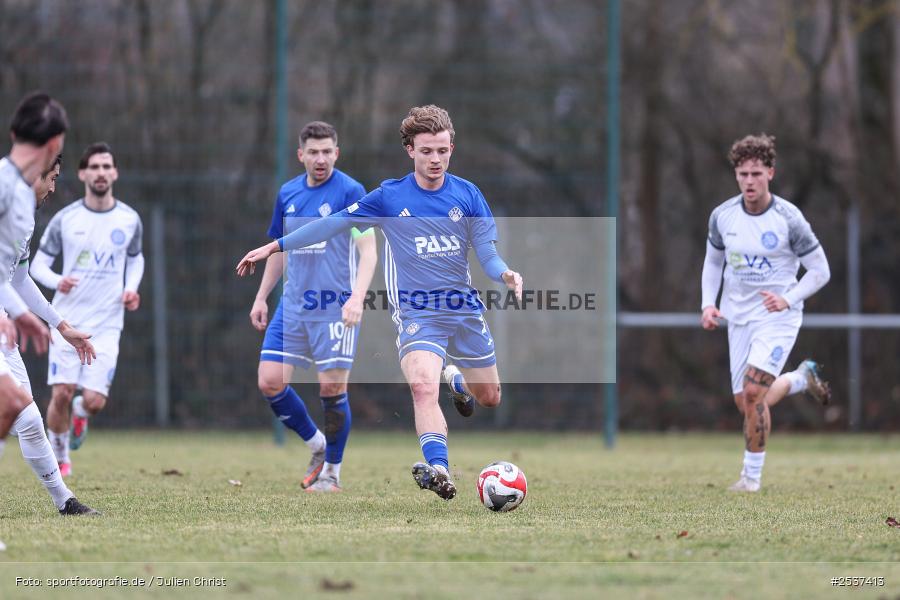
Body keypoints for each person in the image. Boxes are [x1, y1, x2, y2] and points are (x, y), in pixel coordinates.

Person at [237, 105, 523, 501]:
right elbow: (332, 223)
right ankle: (439, 467)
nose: (435, 159)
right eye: (426, 151)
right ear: (410, 150)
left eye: (442, 150)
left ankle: (455, 380)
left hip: (463, 311)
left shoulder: (468, 195)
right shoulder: (389, 196)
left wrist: (505, 273)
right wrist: (275, 245)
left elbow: (487, 253)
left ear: (451, 148)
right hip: (417, 313)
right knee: (422, 387)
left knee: (489, 398)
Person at [700, 133, 832, 493]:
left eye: (756, 173)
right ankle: (801, 379)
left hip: (778, 316)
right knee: (746, 403)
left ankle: (750, 480)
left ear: (770, 173)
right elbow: (713, 263)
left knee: (754, 394)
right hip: (737, 317)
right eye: (742, 174)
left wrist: (788, 299)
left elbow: (821, 271)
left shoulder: (789, 219)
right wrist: (708, 303)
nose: (749, 181)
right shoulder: (723, 217)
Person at [249, 121, 376, 493]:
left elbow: (368, 250)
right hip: (293, 307)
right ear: (301, 155)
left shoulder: (350, 191)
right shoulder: (288, 193)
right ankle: (318, 446)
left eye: (328, 152)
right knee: (270, 381)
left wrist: (357, 297)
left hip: (334, 307)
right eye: (314, 152)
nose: (321, 159)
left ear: (337, 153)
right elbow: (278, 249)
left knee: (331, 391)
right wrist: (260, 296)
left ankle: (332, 474)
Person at [0, 90, 98, 515]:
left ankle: (65, 502)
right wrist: (16, 315)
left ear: (13, 132)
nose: (53, 187)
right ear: (55, 145)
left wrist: (59, 325)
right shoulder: (7, 190)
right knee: (12, 404)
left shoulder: (21, 202)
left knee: (25, 417)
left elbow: (15, 276)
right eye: (55, 176)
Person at [31, 142, 144, 477]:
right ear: (82, 173)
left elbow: (136, 258)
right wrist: (58, 279)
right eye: (94, 167)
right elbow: (36, 266)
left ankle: (82, 413)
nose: (101, 173)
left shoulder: (129, 219)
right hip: (68, 320)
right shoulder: (66, 220)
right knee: (62, 392)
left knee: (93, 400)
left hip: (108, 324)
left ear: (115, 173)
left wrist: (131, 289)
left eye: (106, 166)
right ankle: (61, 458)